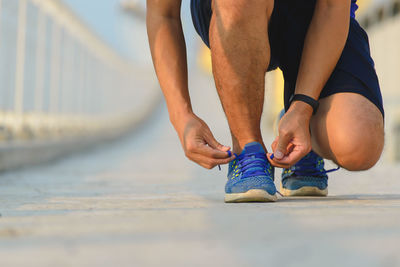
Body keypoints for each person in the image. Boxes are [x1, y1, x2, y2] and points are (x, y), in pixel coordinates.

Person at [146, 0, 384, 202]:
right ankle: (248, 151)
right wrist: (181, 116)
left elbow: (333, 7)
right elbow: (162, 14)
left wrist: (303, 107)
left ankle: (302, 131)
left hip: (315, 15)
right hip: (234, 10)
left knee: (357, 144)